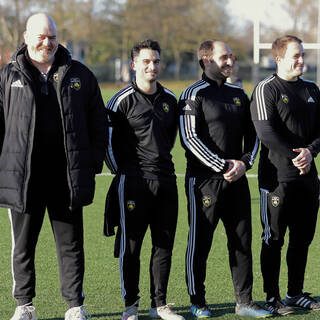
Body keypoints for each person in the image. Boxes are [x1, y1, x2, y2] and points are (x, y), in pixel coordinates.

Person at [0, 13, 107, 320]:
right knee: (22, 247)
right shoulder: (8, 75)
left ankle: (75, 306)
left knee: (71, 246)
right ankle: (24, 305)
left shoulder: (80, 75)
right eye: (41, 36)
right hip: (24, 178)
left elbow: (98, 124)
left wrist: (90, 164)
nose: (47, 43)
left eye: (52, 37)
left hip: (66, 178)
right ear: (25, 37)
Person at [178, 39, 271, 319]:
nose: (230, 61)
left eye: (232, 56)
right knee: (200, 241)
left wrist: (244, 163)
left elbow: (253, 135)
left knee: (242, 241)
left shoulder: (238, 93)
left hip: (237, 180)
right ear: (206, 60)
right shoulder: (192, 94)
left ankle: (244, 302)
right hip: (204, 181)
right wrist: (222, 165)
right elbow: (189, 138)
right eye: (224, 57)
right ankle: (198, 300)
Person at [104, 39, 184, 320]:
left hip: (166, 182)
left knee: (164, 246)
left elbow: (170, 139)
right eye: (147, 61)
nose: (152, 66)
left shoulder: (170, 100)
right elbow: (108, 145)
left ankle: (159, 305)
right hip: (134, 183)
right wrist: (124, 172)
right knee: (132, 246)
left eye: (157, 61)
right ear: (134, 65)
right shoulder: (120, 100)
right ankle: (130, 307)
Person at [250, 35, 320, 316]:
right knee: (274, 239)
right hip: (276, 179)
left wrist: (310, 152)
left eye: (302, 54)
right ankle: (272, 297)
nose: (301, 59)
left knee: (303, 238)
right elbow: (266, 134)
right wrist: (296, 156)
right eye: (295, 55)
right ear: (278, 59)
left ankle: (294, 293)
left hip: (308, 178)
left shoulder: (312, 89)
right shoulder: (266, 88)